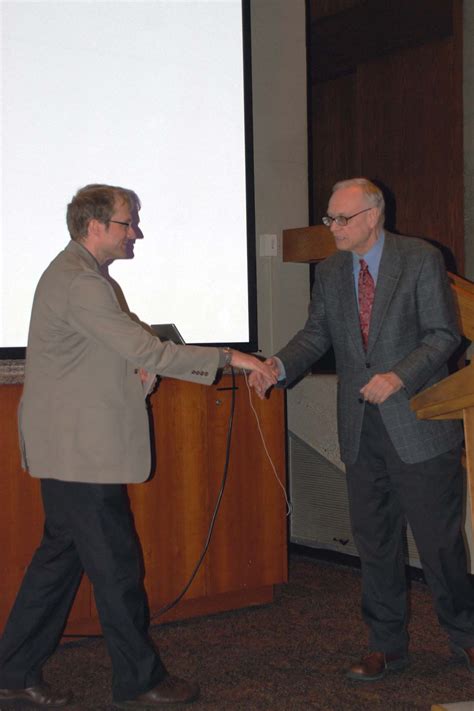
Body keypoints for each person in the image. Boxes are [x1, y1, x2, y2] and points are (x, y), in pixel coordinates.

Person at [0, 183, 276, 709]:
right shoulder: (81, 282)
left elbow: (131, 337)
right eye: (128, 223)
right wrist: (233, 358)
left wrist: (145, 356)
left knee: (59, 562)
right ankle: (139, 681)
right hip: (79, 455)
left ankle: (12, 672)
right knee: (116, 568)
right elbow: (145, 347)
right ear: (95, 225)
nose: (137, 233)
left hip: (69, 449)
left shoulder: (83, 277)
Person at [250, 178, 474, 681]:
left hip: (417, 423)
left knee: (438, 544)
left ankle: (466, 635)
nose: (332, 228)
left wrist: (400, 376)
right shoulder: (330, 271)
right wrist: (278, 367)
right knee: (375, 542)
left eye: (342, 219)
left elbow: (443, 333)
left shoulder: (419, 258)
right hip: (360, 429)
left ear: (373, 215)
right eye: (329, 218)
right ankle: (387, 644)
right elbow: (317, 334)